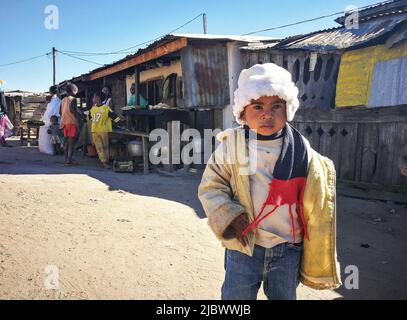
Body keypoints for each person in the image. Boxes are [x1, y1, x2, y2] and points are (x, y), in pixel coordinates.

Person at [198, 63, 341, 300]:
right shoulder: (230, 147)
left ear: (289, 110)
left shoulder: (301, 149)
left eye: (277, 106)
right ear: (242, 113)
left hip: (287, 248)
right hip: (244, 245)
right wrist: (228, 216)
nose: (267, 114)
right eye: (257, 106)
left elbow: (315, 195)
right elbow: (211, 186)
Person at [90, 92, 120, 168]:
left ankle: (106, 160)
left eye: (94, 97)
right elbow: (88, 117)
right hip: (95, 131)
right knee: (99, 147)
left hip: (103, 130)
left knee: (105, 146)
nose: (93, 99)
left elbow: (113, 116)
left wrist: (120, 122)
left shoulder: (106, 108)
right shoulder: (92, 108)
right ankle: (104, 162)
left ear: (98, 98)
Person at [60, 83, 80, 165]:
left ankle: (66, 159)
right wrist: (79, 117)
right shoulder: (73, 99)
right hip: (72, 122)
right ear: (73, 91)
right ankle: (69, 160)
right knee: (72, 143)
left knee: (67, 142)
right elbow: (72, 110)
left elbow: (60, 112)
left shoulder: (63, 100)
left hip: (65, 123)